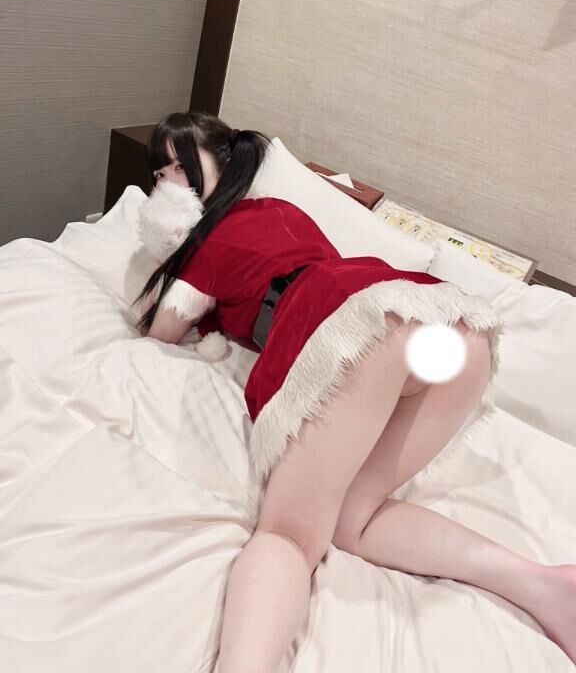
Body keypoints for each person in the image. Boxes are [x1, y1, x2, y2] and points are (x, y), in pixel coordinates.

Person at [135, 111, 576, 671]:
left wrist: (169, 251)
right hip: (451, 329)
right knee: (352, 520)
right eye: (159, 173)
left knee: (289, 537)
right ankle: (541, 584)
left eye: (177, 167)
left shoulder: (212, 239)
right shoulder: (284, 211)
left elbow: (162, 331)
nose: (165, 183)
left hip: (355, 324)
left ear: (223, 162)